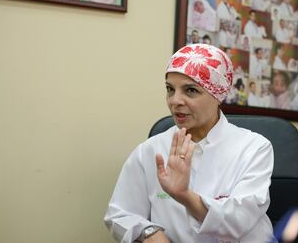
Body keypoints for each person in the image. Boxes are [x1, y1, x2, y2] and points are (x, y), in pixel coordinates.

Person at [104, 44, 275, 242]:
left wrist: (184, 195)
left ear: (218, 94)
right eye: (170, 89)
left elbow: (239, 221)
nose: (175, 100)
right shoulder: (150, 151)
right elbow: (119, 214)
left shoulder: (253, 148)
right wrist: (148, 233)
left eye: (190, 90)